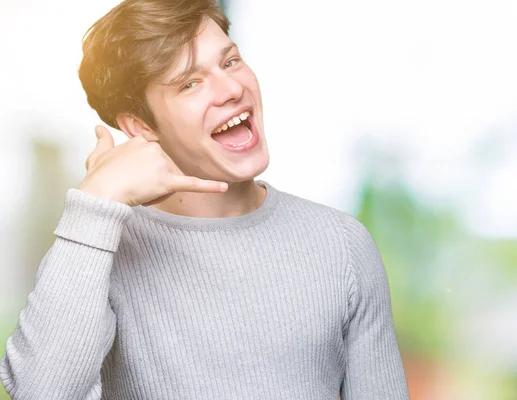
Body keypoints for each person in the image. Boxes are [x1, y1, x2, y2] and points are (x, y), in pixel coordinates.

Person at [0, 0, 410, 398]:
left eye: (230, 61)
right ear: (140, 126)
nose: (232, 89)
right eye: (190, 83)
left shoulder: (341, 245)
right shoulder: (96, 255)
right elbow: (39, 392)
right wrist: (96, 201)